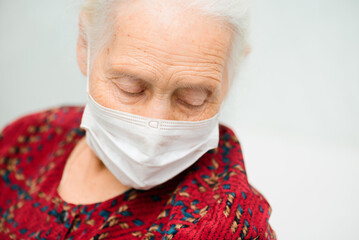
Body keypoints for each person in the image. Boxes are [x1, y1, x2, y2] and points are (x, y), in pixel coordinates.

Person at [0, 0, 276, 239]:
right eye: (130, 88)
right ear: (85, 44)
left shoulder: (229, 226)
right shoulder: (27, 138)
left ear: (230, 76)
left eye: (192, 100)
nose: (153, 131)